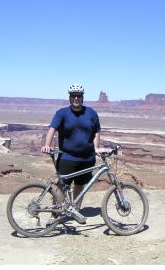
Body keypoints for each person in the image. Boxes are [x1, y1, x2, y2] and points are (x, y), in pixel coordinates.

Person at [39, 83, 102, 224]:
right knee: (61, 186)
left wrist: (96, 148)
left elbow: (96, 131)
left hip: (87, 158)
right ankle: (55, 215)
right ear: (69, 97)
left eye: (78, 96)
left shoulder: (91, 113)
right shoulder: (62, 113)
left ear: (82, 97)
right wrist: (47, 145)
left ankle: (76, 212)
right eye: (73, 96)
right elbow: (52, 129)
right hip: (67, 157)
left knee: (80, 185)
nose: (76, 98)